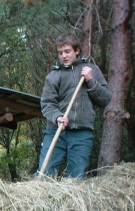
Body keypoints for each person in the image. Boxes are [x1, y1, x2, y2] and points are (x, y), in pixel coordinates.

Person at [38, 33, 112, 178]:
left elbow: (105, 99)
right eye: (60, 53)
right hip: (55, 131)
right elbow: (47, 104)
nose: (63, 56)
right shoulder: (53, 76)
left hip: (82, 133)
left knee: (77, 178)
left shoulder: (91, 70)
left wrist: (91, 81)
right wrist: (58, 117)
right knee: (45, 174)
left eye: (67, 51)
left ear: (76, 50)